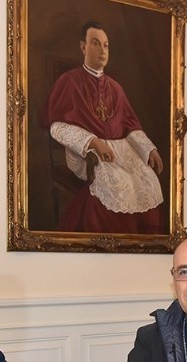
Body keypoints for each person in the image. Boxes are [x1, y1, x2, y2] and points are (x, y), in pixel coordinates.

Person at [43, 20, 165, 234]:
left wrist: (149, 149)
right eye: (96, 43)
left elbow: (129, 125)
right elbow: (57, 127)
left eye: (106, 45)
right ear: (83, 47)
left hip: (123, 151)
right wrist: (92, 142)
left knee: (148, 180)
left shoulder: (116, 88)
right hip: (89, 152)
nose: (102, 50)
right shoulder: (68, 82)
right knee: (117, 182)